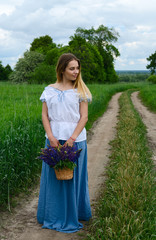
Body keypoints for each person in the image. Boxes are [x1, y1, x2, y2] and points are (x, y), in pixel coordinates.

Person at [37, 53, 92, 233]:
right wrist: (51, 137)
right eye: (72, 68)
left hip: (75, 140)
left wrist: (72, 139)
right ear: (62, 70)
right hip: (53, 140)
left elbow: (84, 117)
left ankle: (75, 213)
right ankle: (51, 214)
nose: (76, 72)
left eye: (77, 68)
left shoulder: (80, 91)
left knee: (73, 179)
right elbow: (44, 115)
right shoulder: (49, 90)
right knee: (53, 178)